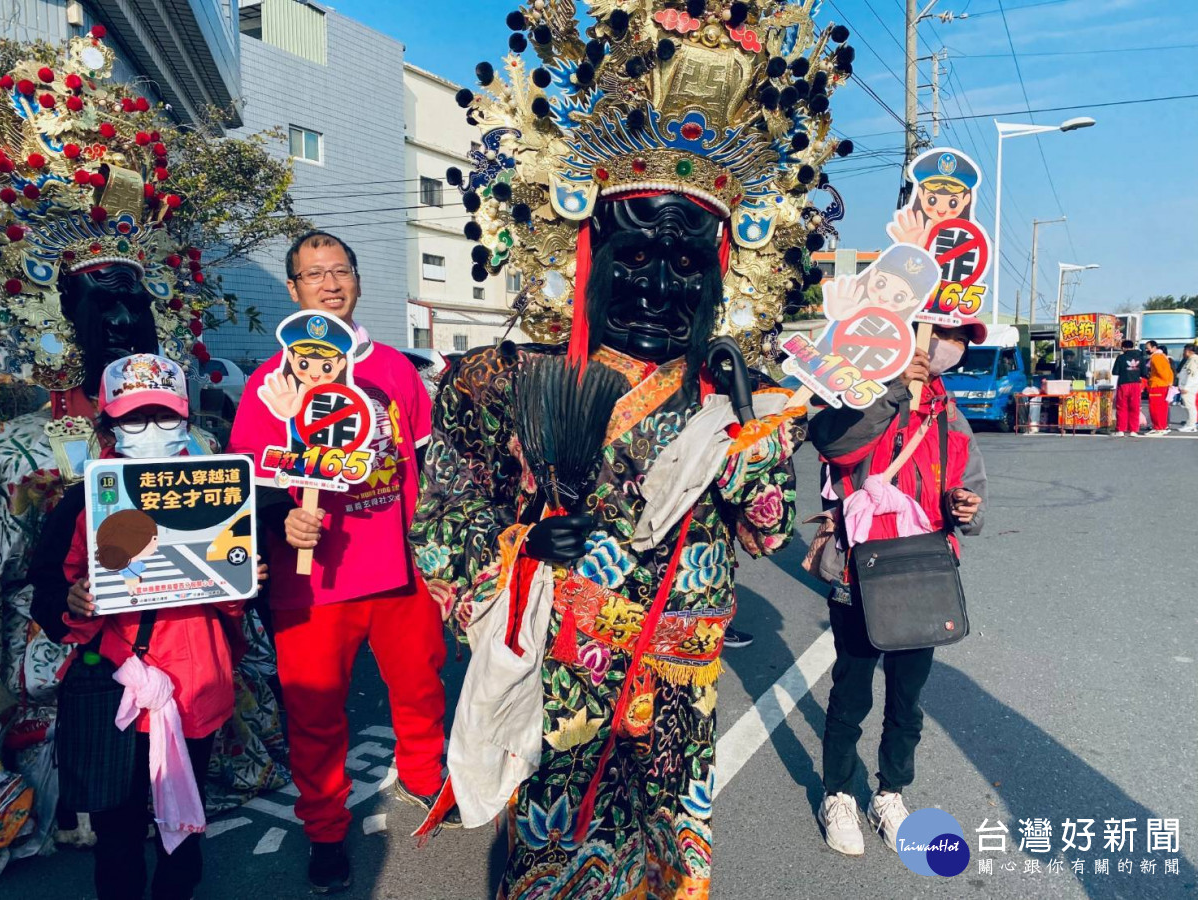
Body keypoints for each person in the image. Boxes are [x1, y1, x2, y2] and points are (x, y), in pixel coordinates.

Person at [409, 5, 851, 894]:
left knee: (668, 857)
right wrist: (522, 552)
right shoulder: (501, 381)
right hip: (563, 668)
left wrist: (741, 419)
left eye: (688, 262)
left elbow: (766, 533)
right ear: (586, 247)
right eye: (634, 250)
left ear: (724, 274)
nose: (657, 283)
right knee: (554, 857)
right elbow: (447, 509)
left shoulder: (739, 395)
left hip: (681, 685)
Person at [228, 229, 447, 893]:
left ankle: (425, 779)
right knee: (315, 715)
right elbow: (248, 484)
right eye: (314, 274)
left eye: (340, 270)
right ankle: (325, 831)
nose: (330, 282)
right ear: (293, 291)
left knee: (421, 688)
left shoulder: (397, 372)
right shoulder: (271, 382)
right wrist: (280, 518)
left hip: (400, 570)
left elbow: (429, 470)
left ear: (357, 279)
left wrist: (436, 552)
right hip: (311, 581)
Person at [46, 354, 263, 900]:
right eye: (134, 419)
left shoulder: (217, 489)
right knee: (116, 829)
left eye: (164, 417)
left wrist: (244, 581)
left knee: (183, 820)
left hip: (197, 682)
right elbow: (55, 591)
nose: (150, 431)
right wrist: (76, 599)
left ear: (185, 419)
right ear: (110, 424)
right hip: (115, 681)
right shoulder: (86, 499)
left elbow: (234, 599)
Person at [808, 320, 988, 858]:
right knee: (852, 691)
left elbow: (971, 482)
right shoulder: (857, 389)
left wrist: (967, 506)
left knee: (907, 698)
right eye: (943, 332)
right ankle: (837, 793)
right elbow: (833, 442)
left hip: (926, 572)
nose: (950, 346)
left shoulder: (947, 409)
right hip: (858, 572)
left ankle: (890, 792)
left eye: (960, 338)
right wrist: (890, 390)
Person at [1111, 339, 1145, 436]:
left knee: (1122, 407)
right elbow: (1144, 373)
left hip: (1123, 384)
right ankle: (1133, 430)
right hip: (1136, 384)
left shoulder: (1121, 357)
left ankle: (1121, 430)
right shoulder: (1140, 357)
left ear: (1124, 348)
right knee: (1135, 407)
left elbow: (1115, 372)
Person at [1144, 340, 1175, 435]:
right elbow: (1169, 372)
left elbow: (1161, 371)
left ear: (1154, 348)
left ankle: (1158, 428)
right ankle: (1161, 426)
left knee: (1155, 408)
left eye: (1147, 348)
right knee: (1162, 408)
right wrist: (1169, 382)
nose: (1146, 350)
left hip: (1157, 385)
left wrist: (1166, 381)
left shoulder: (1156, 357)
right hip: (1163, 385)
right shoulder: (1162, 356)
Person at [1178, 344, 1198, 433]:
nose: (1183, 353)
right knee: (1188, 406)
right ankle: (1190, 423)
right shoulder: (1190, 360)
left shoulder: (1193, 360)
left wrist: (1187, 387)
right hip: (1187, 386)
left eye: (1184, 351)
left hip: (1189, 388)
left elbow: (1192, 375)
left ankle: (1191, 425)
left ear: (1188, 351)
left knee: (1190, 406)